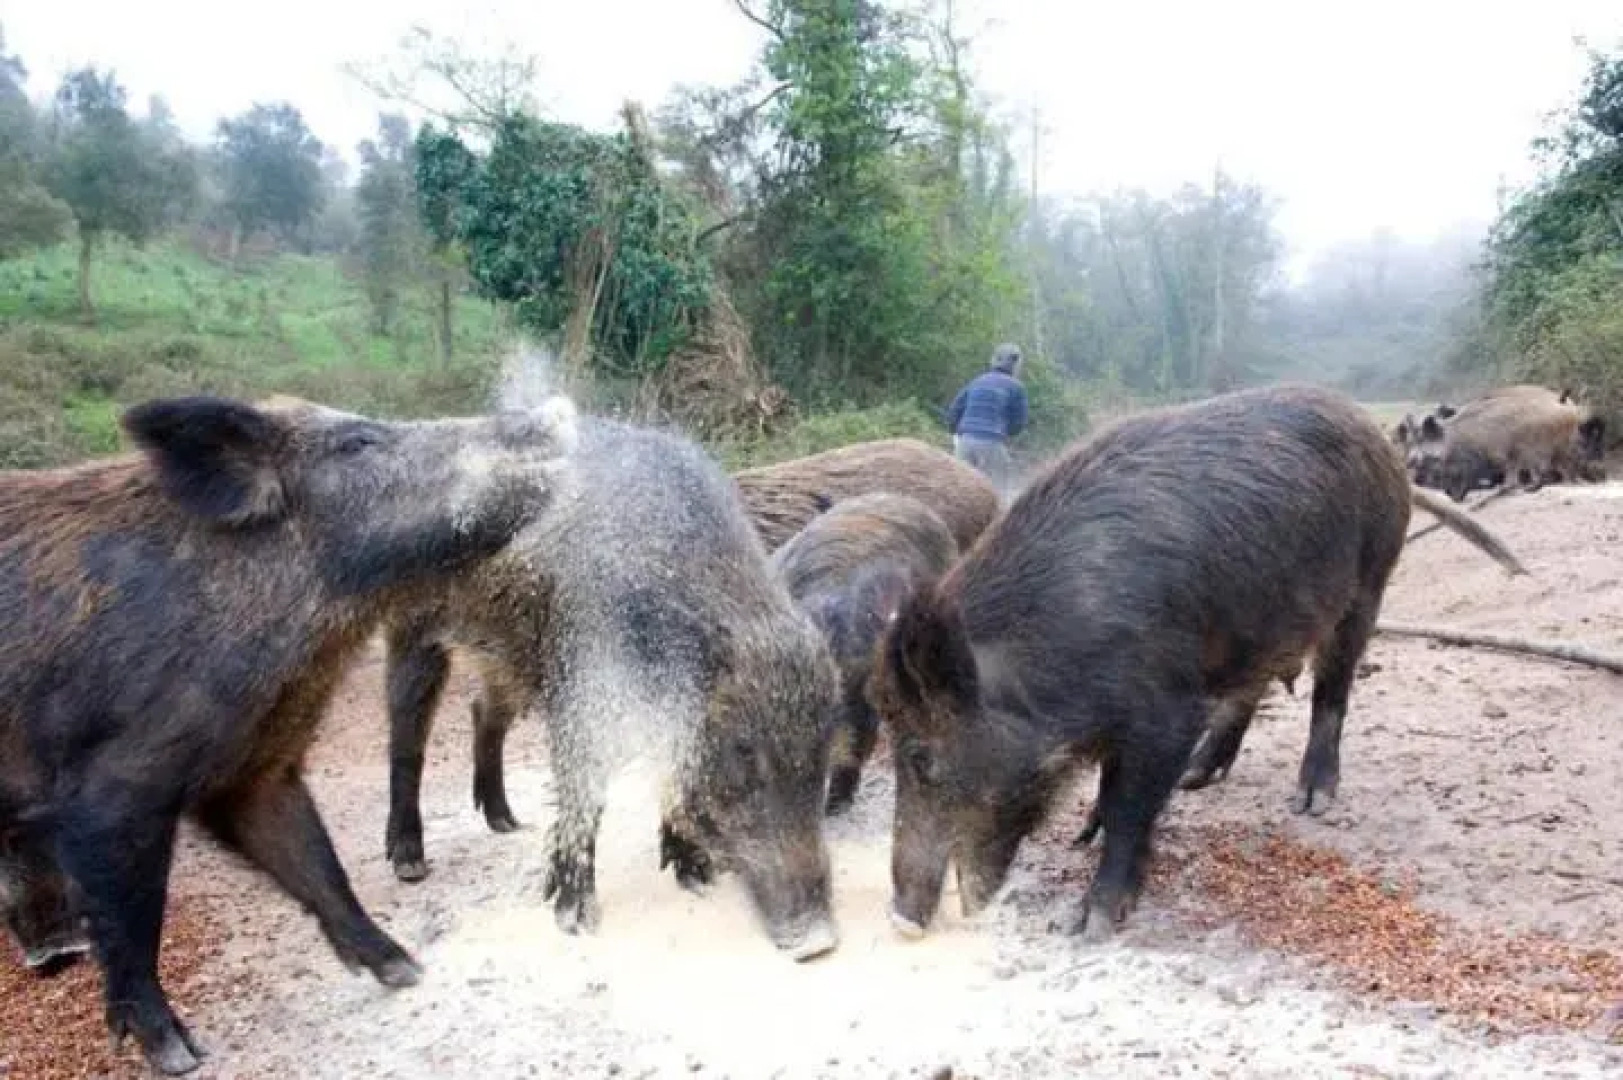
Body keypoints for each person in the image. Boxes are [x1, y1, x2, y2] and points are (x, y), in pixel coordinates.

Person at [944, 342, 1028, 495]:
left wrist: (955, 432)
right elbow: (1019, 423)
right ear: (1014, 365)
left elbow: (953, 412)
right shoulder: (1016, 387)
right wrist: (1006, 433)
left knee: (959, 493)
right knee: (998, 494)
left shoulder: (977, 381)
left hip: (964, 443)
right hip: (992, 444)